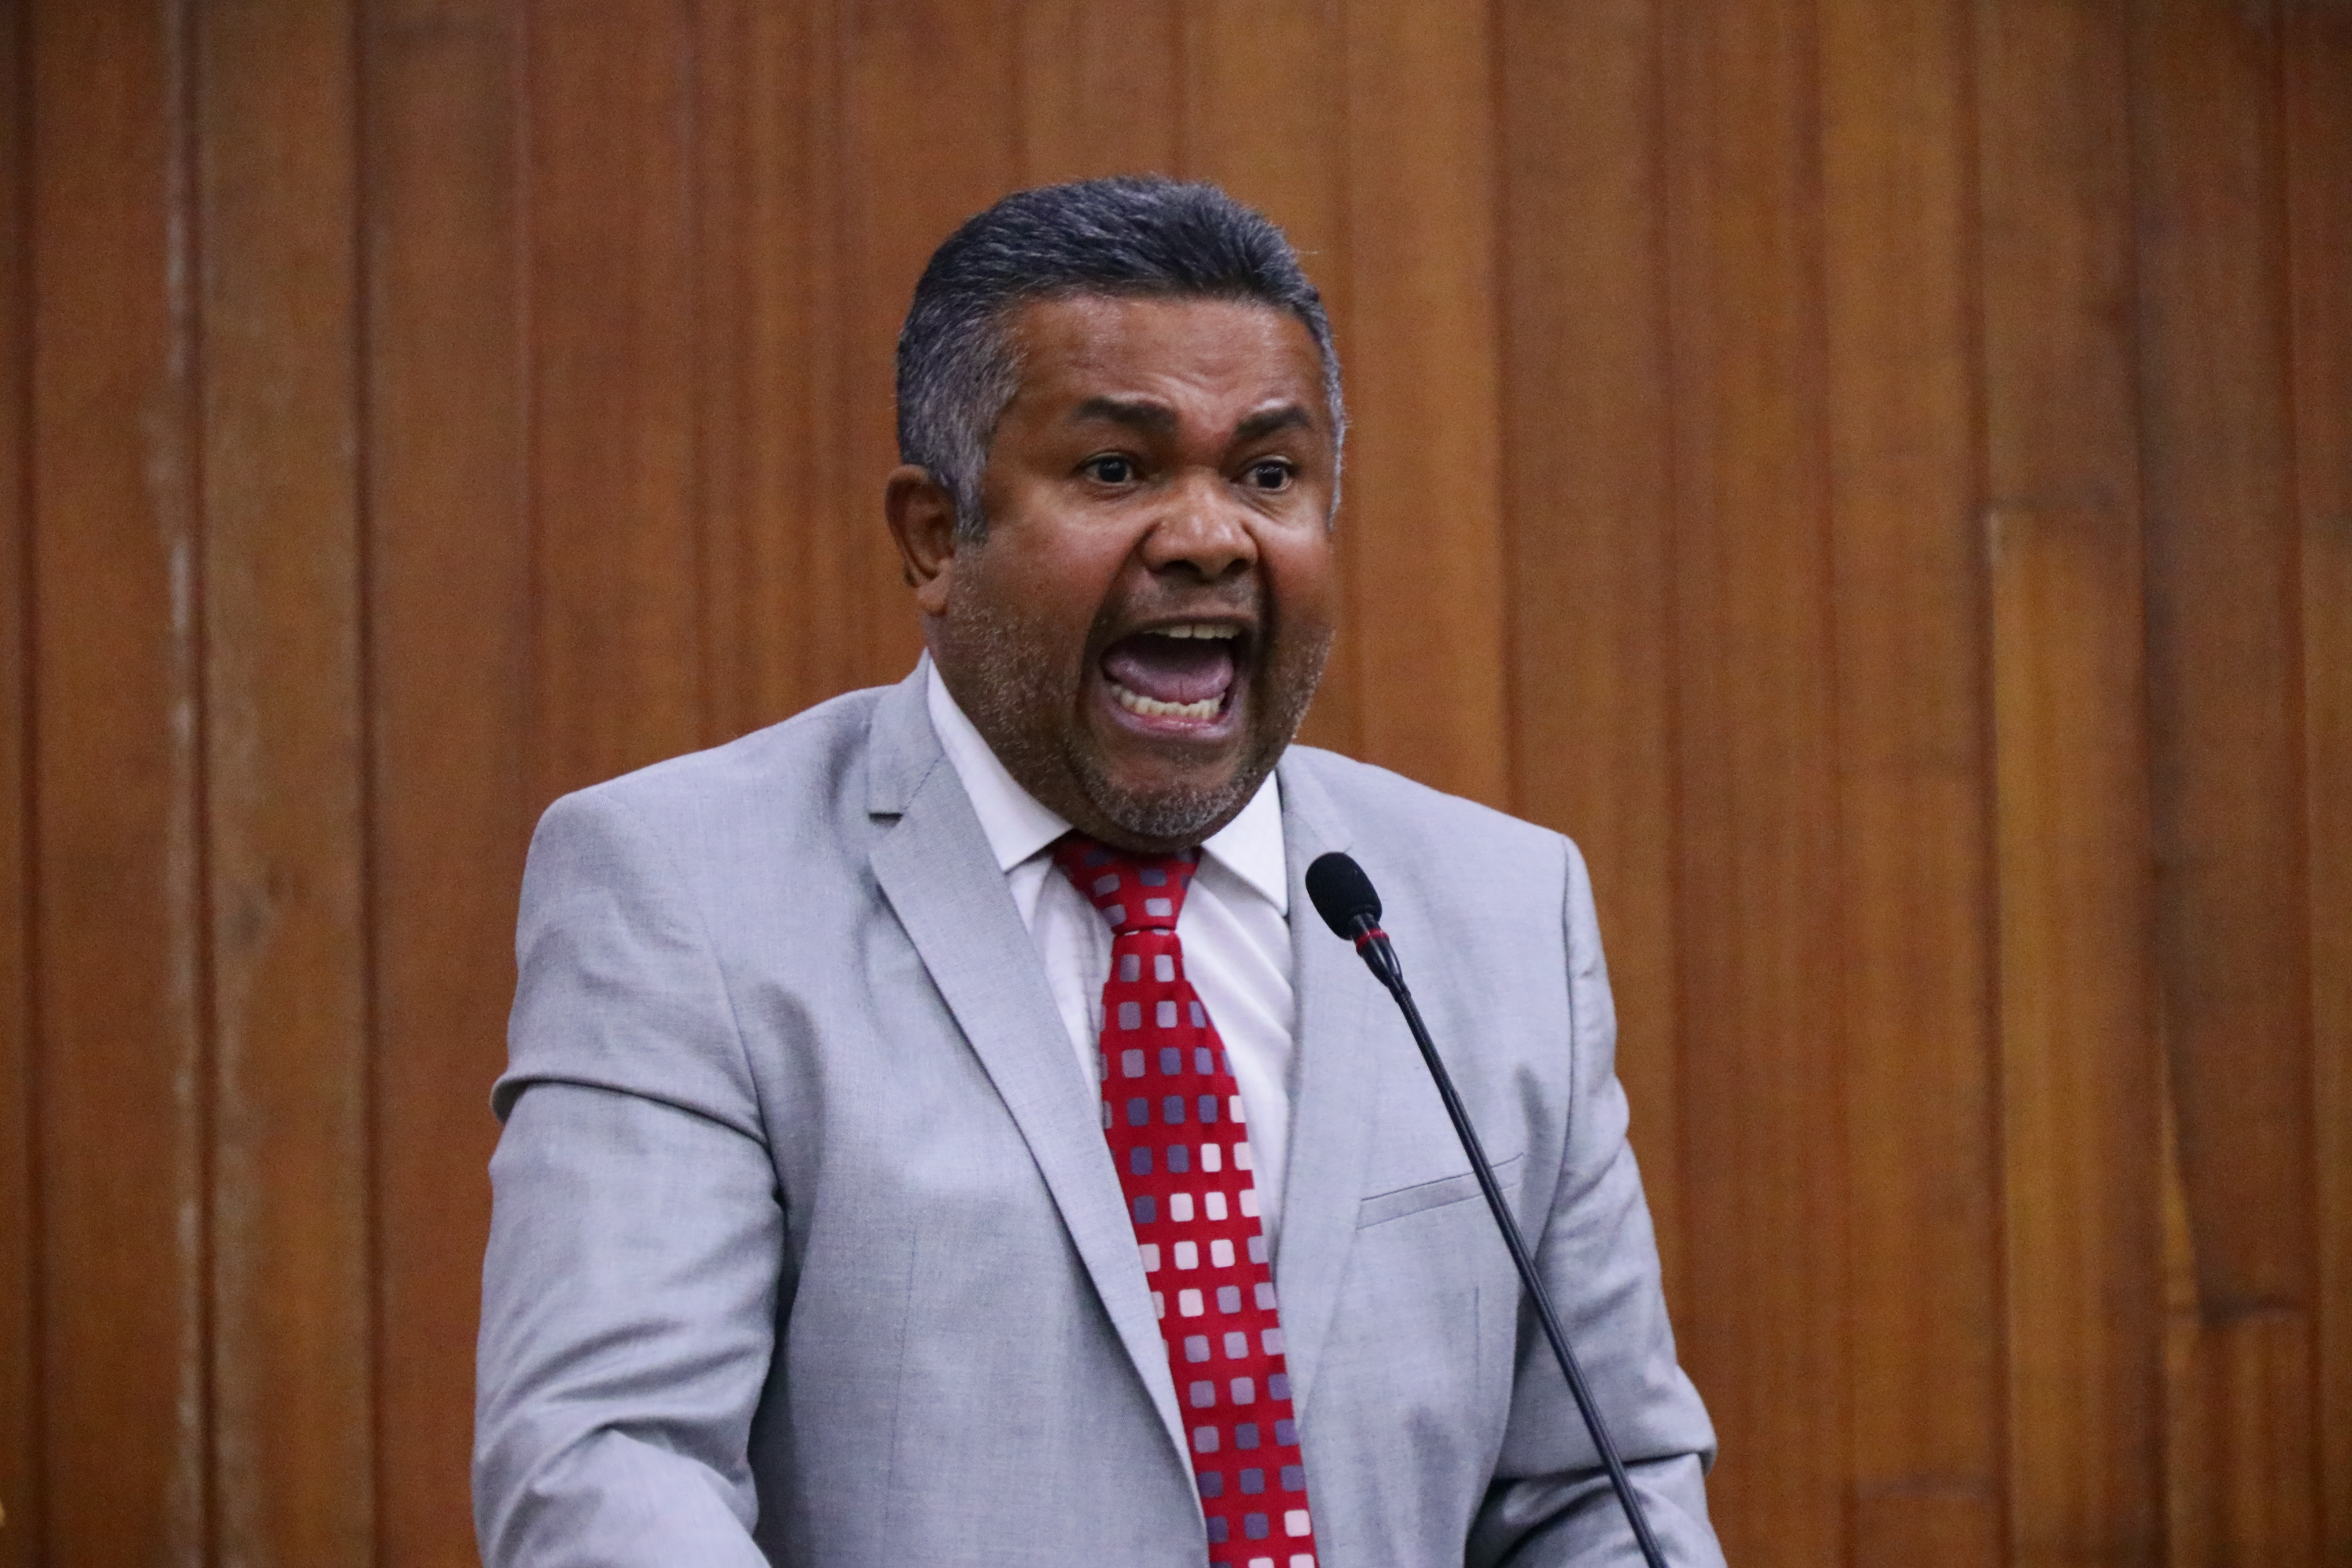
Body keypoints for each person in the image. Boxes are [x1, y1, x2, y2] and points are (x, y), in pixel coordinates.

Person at [474, 175, 1724, 1568]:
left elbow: (1602, 1492)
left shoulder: (1497, 909)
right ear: (936, 535)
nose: (1209, 537)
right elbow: (609, 1467)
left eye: (1268, 475)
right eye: (1117, 471)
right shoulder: (687, 891)